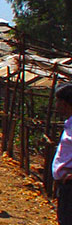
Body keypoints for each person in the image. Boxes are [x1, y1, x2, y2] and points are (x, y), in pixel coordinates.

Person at [52, 83, 72, 225]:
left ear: (65, 103)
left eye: (58, 101)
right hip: (65, 184)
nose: (56, 105)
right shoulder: (69, 123)